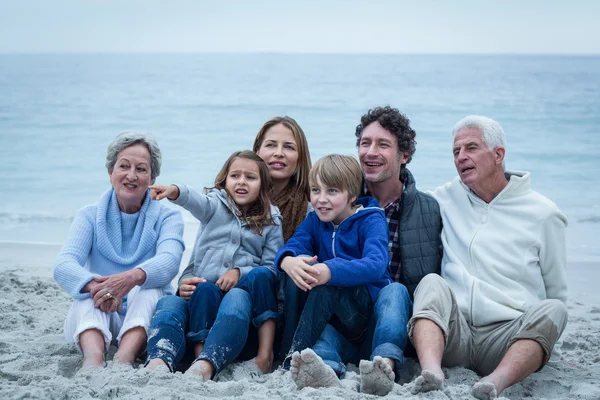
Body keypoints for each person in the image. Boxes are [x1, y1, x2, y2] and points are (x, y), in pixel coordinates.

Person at [408, 116, 568, 400]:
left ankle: (496, 382)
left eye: (471, 148)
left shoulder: (543, 212)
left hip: (507, 339)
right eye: (456, 151)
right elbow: (403, 199)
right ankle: (432, 372)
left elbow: (556, 288)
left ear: (498, 154)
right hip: (455, 335)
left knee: (555, 308)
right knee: (431, 283)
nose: (461, 157)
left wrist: (543, 345)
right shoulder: (444, 198)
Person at [296, 106, 443, 395]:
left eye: (383, 144)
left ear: (405, 156)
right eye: (365, 143)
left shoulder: (428, 209)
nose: (370, 152)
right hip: (343, 314)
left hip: (391, 318)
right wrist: (289, 261)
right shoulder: (336, 198)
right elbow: (301, 241)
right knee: (325, 338)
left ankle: (383, 365)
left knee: (396, 291)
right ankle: (325, 369)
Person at [144, 150, 284, 380]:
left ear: (263, 185)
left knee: (252, 283)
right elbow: (193, 200)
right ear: (224, 180)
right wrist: (174, 191)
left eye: (250, 177)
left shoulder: (271, 219)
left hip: (242, 307)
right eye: (235, 175)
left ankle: (255, 356)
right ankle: (178, 358)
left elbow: (272, 269)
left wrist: (240, 272)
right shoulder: (213, 207)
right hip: (204, 297)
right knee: (187, 295)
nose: (241, 182)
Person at [53, 131, 185, 369]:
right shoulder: (89, 215)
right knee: (85, 296)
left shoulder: (169, 216)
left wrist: (129, 279)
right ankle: (93, 360)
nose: (131, 176)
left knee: (150, 289)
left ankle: (124, 358)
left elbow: (169, 262)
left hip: (145, 321)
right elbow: (64, 265)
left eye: (141, 169)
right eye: (123, 166)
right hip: (99, 312)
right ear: (110, 172)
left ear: (153, 176)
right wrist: (98, 289)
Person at [274, 154, 391, 390]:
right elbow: (294, 245)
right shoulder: (315, 221)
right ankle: (323, 367)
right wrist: (288, 261)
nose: (321, 199)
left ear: (352, 195)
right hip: (328, 321)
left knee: (324, 283)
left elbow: (376, 263)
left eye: (332, 191)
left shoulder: (371, 219)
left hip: (361, 314)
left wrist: (330, 269)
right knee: (299, 272)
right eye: (315, 190)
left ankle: (289, 356)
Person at [252, 116, 314, 360]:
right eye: (271, 145)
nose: (279, 153)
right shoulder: (233, 197)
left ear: (300, 158)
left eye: (289, 147)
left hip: (284, 308)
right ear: (257, 151)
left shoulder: (312, 206)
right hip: (240, 297)